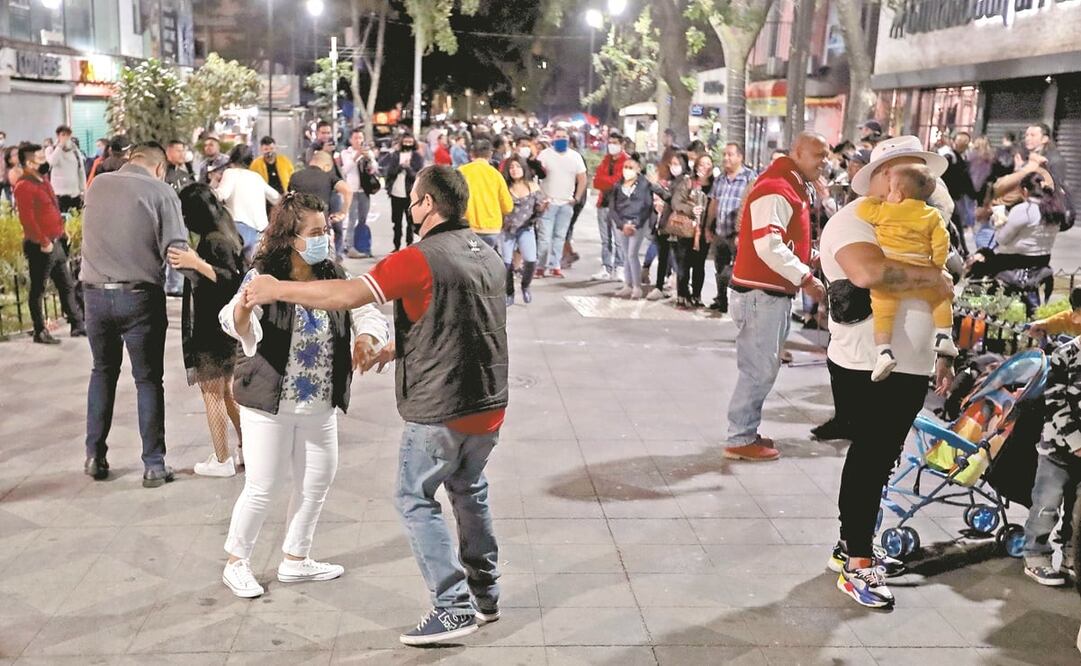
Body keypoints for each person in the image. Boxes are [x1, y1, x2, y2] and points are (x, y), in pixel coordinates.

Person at [243, 165, 508, 647]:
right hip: (488, 403)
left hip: (440, 406)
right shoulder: (486, 253)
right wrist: (395, 348)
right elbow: (461, 323)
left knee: (414, 498)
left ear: (427, 204)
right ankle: (484, 595)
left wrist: (276, 289)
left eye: (415, 199)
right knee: (469, 490)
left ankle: (452, 607)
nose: (411, 206)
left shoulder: (418, 258)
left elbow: (348, 295)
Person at [217, 192, 390, 598]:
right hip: (269, 402)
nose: (323, 238)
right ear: (290, 237)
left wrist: (367, 337)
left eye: (325, 230)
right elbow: (234, 319)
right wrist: (245, 308)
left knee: (317, 480)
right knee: (263, 485)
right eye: (314, 233)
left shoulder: (333, 271)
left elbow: (365, 310)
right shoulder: (265, 275)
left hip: (320, 402)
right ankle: (236, 562)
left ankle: (296, 558)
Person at [818, 135, 954, 608]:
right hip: (865, 361)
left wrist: (943, 352)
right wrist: (932, 277)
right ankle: (858, 561)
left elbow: (946, 276)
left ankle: (851, 544)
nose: (913, 179)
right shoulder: (853, 219)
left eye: (919, 171)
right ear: (878, 177)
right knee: (871, 456)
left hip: (912, 363)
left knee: (881, 458)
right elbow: (869, 273)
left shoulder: (923, 219)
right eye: (902, 169)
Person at [80, 143, 198, 487]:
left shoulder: (98, 185)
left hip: (94, 296)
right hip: (139, 297)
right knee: (147, 380)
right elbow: (176, 252)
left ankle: (94, 456)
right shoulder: (161, 191)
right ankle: (154, 464)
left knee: (102, 371)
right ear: (160, 168)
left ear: (131, 160)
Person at [723, 132, 829, 462]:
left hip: (765, 293)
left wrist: (809, 258)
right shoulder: (777, 187)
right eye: (818, 155)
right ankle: (740, 438)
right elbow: (769, 245)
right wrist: (805, 278)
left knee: (761, 367)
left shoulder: (789, 184)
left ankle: (745, 432)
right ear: (797, 152)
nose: (824, 162)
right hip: (760, 294)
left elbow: (783, 240)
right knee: (759, 369)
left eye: (826, 155)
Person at [168, 184, 246, 477]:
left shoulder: (214, 242)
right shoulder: (227, 233)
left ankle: (222, 458)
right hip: (223, 327)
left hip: (211, 328)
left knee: (212, 392)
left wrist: (196, 264)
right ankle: (248, 448)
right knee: (227, 392)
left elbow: (230, 281)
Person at [857, 164, 958, 381]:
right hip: (922, 274)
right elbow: (942, 242)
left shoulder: (885, 210)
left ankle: (883, 352)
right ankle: (944, 336)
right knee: (941, 298)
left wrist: (874, 198)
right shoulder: (932, 215)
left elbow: (862, 209)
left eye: (891, 189)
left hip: (892, 276)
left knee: (882, 311)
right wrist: (937, 266)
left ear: (898, 194)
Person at [1022, 332, 1081, 586]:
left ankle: (1071, 557)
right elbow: (1056, 401)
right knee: (1047, 504)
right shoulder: (1065, 354)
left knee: (1077, 513)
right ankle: (1035, 555)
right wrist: (1076, 441)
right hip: (1056, 448)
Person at [12, 143, 86, 345]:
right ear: (29, 163)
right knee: (38, 289)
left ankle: (77, 324)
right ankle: (40, 331)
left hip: (56, 241)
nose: (44, 160)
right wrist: (43, 241)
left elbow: (52, 207)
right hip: (41, 246)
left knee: (66, 285)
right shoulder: (24, 186)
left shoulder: (42, 180)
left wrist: (62, 231)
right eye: (40, 158)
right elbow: (27, 220)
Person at [706, 143, 756, 313]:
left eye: (730, 154)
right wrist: (708, 226)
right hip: (721, 232)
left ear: (740, 157)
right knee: (720, 267)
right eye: (724, 154)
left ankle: (741, 304)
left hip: (739, 234)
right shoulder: (720, 179)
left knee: (740, 270)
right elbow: (714, 203)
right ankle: (721, 299)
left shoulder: (750, 178)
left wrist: (742, 232)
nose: (726, 158)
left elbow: (752, 206)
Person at [214, 145, 281, 264]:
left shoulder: (230, 173)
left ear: (232, 159)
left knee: (235, 267)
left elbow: (221, 195)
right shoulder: (256, 177)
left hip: (238, 228)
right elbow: (276, 198)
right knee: (255, 269)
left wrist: (213, 183)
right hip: (260, 230)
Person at [535, 128, 586, 278]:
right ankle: (540, 266)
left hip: (566, 204)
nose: (561, 139)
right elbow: (536, 176)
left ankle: (555, 266)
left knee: (559, 237)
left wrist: (576, 198)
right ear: (553, 138)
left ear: (568, 139)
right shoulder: (545, 155)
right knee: (544, 238)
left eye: (564, 136)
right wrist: (541, 198)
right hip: (548, 203)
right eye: (558, 136)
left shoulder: (575, 157)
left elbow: (582, 178)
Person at [501, 155, 546, 305]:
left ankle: (525, 286)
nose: (514, 170)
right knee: (506, 263)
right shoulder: (504, 187)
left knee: (531, 260)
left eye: (517, 166)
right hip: (507, 229)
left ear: (524, 168)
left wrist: (543, 207)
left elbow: (539, 208)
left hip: (526, 228)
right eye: (511, 167)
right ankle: (509, 293)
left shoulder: (533, 186)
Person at [645, 149, 689, 301]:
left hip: (679, 225)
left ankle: (680, 291)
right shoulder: (673, 181)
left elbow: (673, 200)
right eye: (672, 164)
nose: (673, 167)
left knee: (679, 260)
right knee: (663, 256)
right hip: (666, 223)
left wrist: (655, 186)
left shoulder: (685, 181)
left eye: (677, 164)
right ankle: (660, 286)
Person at [608, 153, 653, 299]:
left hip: (637, 224)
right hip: (622, 224)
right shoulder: (617, 185)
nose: (627, 170)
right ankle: (627, 285)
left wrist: (635, 223)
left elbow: (647, 206)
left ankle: (637, 286)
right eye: (625, 167)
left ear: (638, 169)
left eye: (630, 167)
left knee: (632, 254)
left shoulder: (644, 185)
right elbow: (613, 208)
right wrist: (621, 225)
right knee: (625, 254)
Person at [673, 154, 714, 308]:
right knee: (683, 263)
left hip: (704, 230)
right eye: (702, 164)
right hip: (687, 229)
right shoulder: (688, 182)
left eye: (708, 164)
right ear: (696, 167)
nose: (705, 167)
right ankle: (682, 295)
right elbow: (676, 202)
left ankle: (697, 295)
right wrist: (690, 209)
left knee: (699, 264)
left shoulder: (715, 185)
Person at [460, 139, 514, 252]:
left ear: (471, 153)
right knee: (487, 258)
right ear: (490, 154)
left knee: (471, 258)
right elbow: (508, 206)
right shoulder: (496, 175)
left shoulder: (461, 172)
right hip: (492, 227)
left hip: (468, 226)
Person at [591, 131, 629, 281]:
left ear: (622, 144)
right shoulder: (605, 160)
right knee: (605, 239)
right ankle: (606, 267)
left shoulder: (627, 162)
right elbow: (596, 182)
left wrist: (606, 181)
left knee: (619, 240)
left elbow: (619, 182)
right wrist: (608, 182)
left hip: (619, 206)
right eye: (610, 143)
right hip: (603, 204)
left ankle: (619, 267)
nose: (612, 146)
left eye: (615, 143)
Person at [380, 135, 425, 251]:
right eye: (405, 141)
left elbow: (418, 176)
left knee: (410, 223)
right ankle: (396, 246)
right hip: (396, 194)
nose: (407, 144)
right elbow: (389, 172)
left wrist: (408, 168)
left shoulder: (417, 157)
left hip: (410, 195)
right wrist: (400, 167)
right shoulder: (395, 155)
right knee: (396, 222)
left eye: (410, 142)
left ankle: (409, 246)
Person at [340, 128, 379, 258]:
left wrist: (369, 159)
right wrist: (356, 156)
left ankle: (362, 246)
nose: (358, 140)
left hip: (365, 190)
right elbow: (345, 170)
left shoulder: (368, 152)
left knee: (363, 219)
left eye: (360, 138)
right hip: (352, 191)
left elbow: (374, 169)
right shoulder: (346, 153)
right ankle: (349, 247)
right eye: (356, 138)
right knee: (352, 219)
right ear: (351, 139)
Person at [45, 125, 86, 213]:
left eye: (68, 135)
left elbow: (81, 170)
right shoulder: (51, 149)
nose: (65, 137)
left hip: (74, 193)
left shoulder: (75, 151)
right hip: (58, 193)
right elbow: (52, 162)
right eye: (63, 134)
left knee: (76, 218)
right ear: (58, 136)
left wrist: (83, 190)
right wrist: (60, 146)